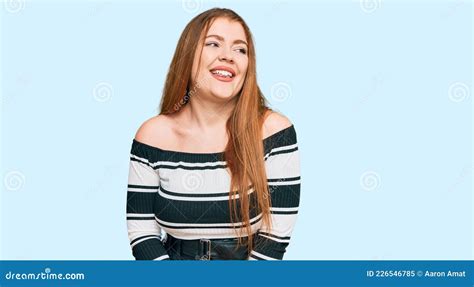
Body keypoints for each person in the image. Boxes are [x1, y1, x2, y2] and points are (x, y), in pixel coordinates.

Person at [126, 7, 301, 260]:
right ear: (188, 55)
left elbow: (275, 239)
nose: (228, 56)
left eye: (240, 49)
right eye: (213, 44)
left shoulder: (275, 131)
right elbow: (142, 234)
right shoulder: (152, 135)